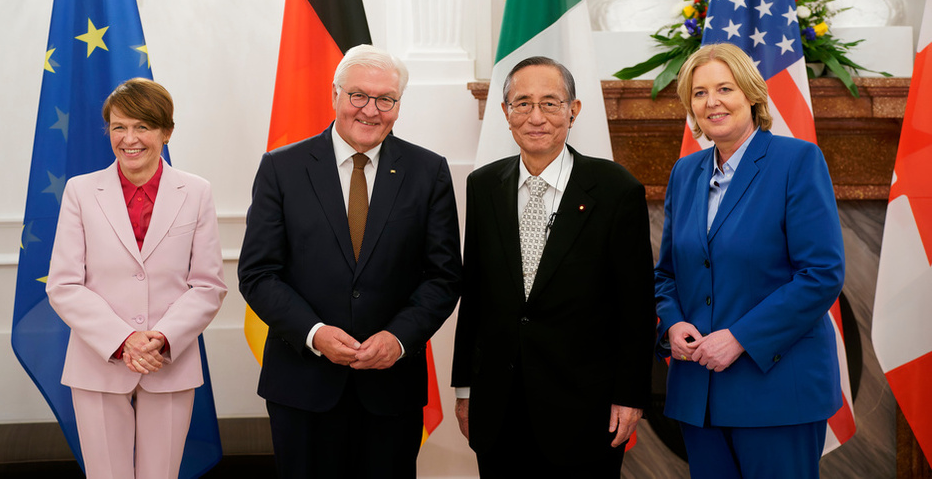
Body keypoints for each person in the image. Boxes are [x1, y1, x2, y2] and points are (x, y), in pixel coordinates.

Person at [237, 45, 462, 479]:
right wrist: (315, 333)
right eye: (359, 95)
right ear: (335, 95)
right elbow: (258, 274)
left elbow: (443, 276)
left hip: (390, 388)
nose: (371, 110)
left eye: (386, 99)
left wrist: (398, 338)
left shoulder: (428, 171)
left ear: (398, 105)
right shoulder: (282, 168)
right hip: (302, 386)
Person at [451, 56, 656, 478]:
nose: (536, 116)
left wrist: (630, 397)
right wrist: (466, 390)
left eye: (550, 102)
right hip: (498, 408)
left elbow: (636, 308)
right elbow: (475, 295)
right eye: (522, 103)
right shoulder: (484, 185)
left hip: (585, 409)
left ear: (573, 111)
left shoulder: (617, 190)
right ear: (505, 113)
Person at [654, 43, 845, 478]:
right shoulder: (685, 173)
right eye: (699, 93)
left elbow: (822, 274)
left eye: (725, 88)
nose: (712, 102)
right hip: (698, 395)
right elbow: (667, 274)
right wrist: (673, 321)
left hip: (777, 392)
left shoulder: (796, 160)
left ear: (752, 95)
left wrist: (740, 337)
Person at [46, 78, 227, 479]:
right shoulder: (80, 191)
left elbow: (209, 285)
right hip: (99, 363)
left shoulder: (196, 192)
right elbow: (63, 284)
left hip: (168, 361)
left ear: (166, 132)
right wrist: (125, 340)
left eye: (142, 127)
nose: (129, 139)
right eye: (119, 127)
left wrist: (160, 338)